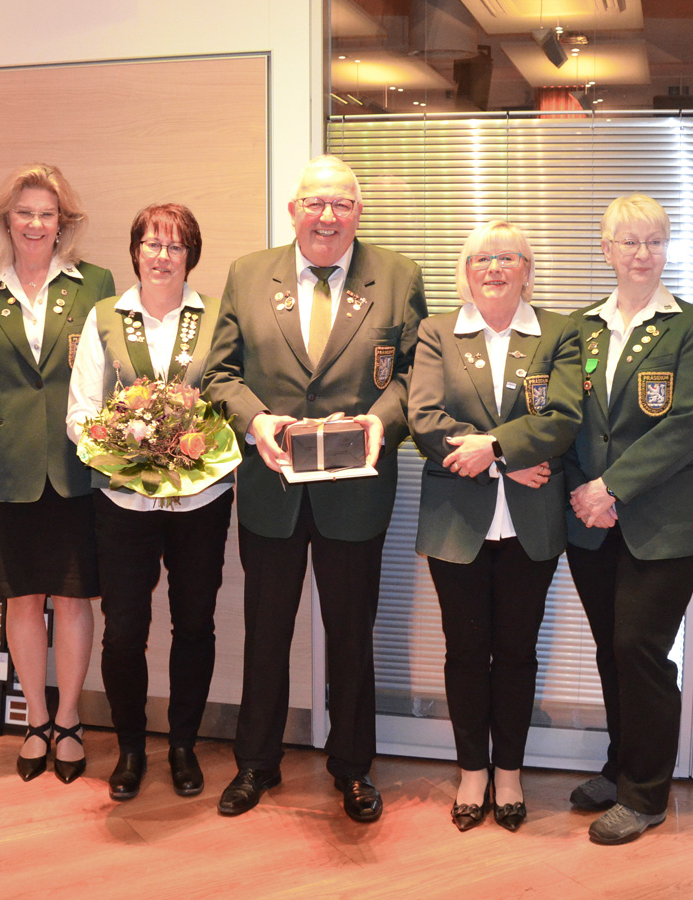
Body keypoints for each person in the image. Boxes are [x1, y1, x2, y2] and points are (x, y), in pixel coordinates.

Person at [203, 155, 427, 822]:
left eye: (341, 204)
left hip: (355, 492)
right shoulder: (248, 274)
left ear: (358, 212)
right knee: (265, 632)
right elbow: (220, 373)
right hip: (272, 487)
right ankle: (255, 762)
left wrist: (380, 423)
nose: (327, 216)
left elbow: (416, 376)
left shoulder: (397, 276)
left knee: (353, 635)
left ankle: (354, 769)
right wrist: (257, 420)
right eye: (315, 203)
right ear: (294, 210)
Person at [408, 221, 581, 832]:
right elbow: (424, 417)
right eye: (481, 259)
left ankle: (509, 770)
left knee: (515, 652)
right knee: (464, 652)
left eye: (508, 258)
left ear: (527, 271)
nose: (494, 268)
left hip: (531, 525)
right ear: (467, 271)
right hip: (458, 520)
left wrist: (497, 450)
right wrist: (505, 462)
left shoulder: (559, 332)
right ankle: (472, 771)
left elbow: (564, 417)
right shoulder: (437, 333)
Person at [563, 194, 693, 845]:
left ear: (666, 250)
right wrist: (574, 484)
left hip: (667, 521)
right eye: (628, 242)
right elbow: (562, 419)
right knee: (612, 652)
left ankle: (646, 793)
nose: (641, 253)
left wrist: (612, 487)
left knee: (639, 649)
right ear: (606, 250)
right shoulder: (579, 328)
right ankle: (620, 763)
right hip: (590, 522)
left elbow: (687, 426)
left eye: (653, 241)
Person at [0, 164, 112, 784]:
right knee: (22, 597)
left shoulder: (94, 282)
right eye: (25, 213)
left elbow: (110, 376)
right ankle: (35, 720)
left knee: (72, 598)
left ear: (62, 223)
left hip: (76, 466)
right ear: (7, 220)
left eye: (48, 214)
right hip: (5, 467)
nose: (36, 224)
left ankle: (69, 720)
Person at [66, 203, 232, 801]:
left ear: (191, 255)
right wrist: (128, 449)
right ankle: (131, 748)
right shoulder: (104, 317)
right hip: (123, 504)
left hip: (202, 501)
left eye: (176, 246)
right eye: (152, 244)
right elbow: (81, 412)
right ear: (135, 250)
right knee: (123, 631)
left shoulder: (217, 317)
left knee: (195, 623)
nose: (162, 256)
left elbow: (233, 399)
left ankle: (183, 746)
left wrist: (192, 446)